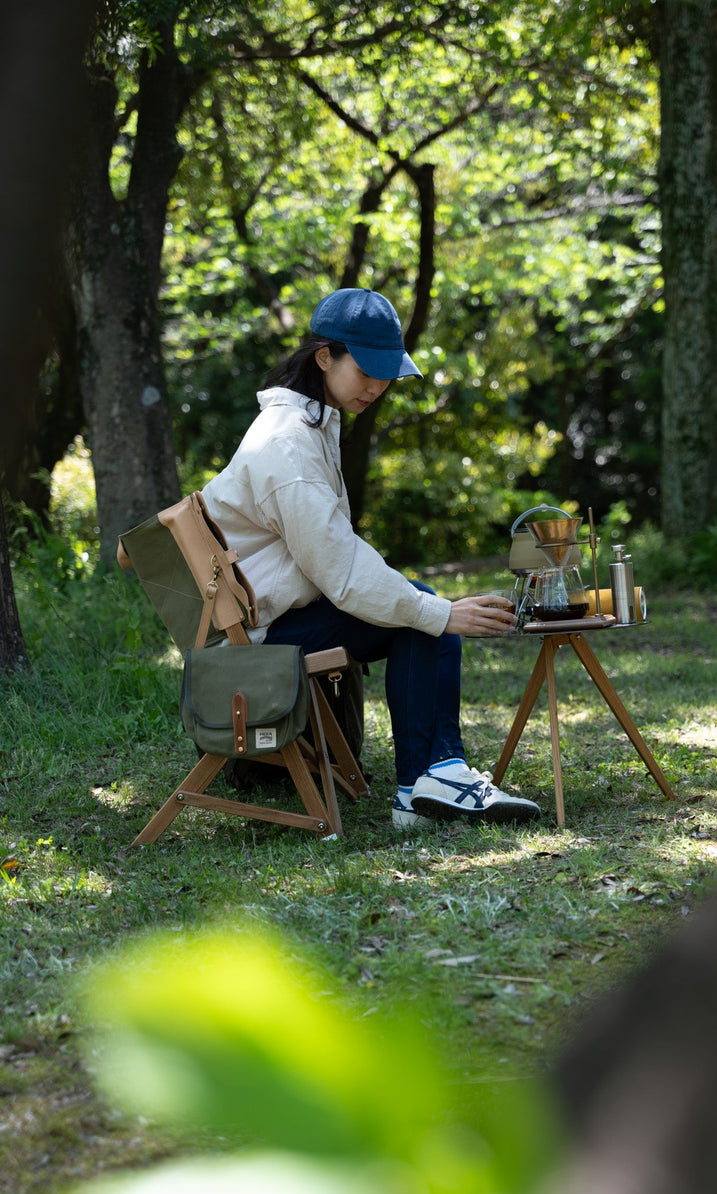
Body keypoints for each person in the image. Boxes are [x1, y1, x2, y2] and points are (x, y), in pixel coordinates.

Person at [201, 287, 541, 830]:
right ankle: (428, 781)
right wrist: (438, 613)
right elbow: (339, 570)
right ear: (324, 357)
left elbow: (335, 550)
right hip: (257, 641)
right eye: (367, 372)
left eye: (387, 375)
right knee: (426, 616)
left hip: (274, 616)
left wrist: (424, 607)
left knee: (421, 611)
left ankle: (431, 778)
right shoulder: (287, 448)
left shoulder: (310, 424)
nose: (377, 387)